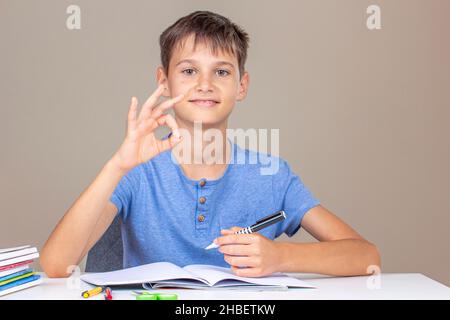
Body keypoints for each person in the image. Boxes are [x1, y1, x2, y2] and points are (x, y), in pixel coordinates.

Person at [41, 10, 380, 278]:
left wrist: (283, 257)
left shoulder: (272, 175)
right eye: (189, 71)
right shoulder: (136, 171)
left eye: (221, 72)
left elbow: (366, 257)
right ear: (164, 81)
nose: (205, 84)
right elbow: (56, 264)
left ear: (241, 85)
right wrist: (118, 164)